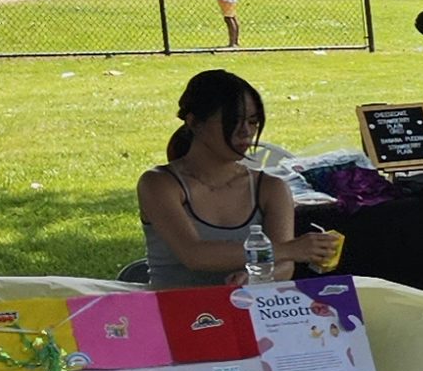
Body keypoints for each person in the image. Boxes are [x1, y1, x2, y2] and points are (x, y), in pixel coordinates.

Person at [137, 71, 334, 288]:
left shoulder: (271, 188)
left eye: (253, 122)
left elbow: (285, 267)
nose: (246, 132)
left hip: (248, 311)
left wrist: (256, 277)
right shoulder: (158, 184)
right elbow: (194, 255)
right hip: (173, 313)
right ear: (194, 122)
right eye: (233, 121)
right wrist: (289, 249)